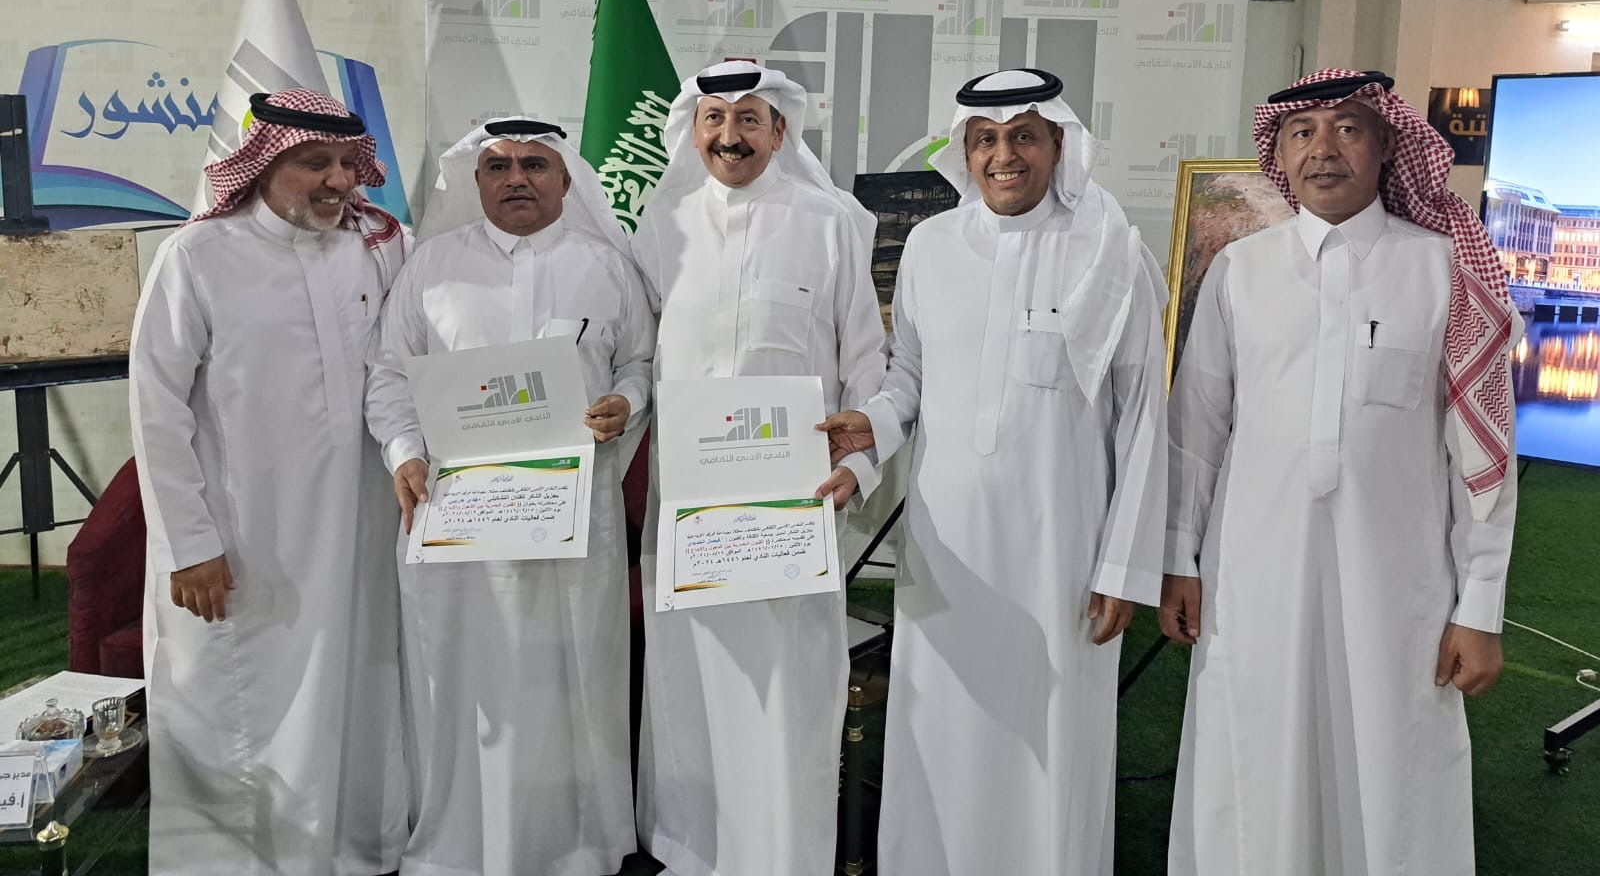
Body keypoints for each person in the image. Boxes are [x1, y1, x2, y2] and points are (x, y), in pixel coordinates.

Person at [1161, 68, 1519, 875]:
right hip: (1253, 573)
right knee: (1253, 750)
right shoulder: (1240, 271)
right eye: (1302, 132)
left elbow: (1481, 461)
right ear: (1279, 155)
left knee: (1393, 759)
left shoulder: (1443, 270)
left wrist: (1481, 606)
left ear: (1388, 144)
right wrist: (1178, 558)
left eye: (1348, 129)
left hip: (1398, 583)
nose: (1323, 149)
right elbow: (1195, 433)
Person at [818, 67, 1170, 874]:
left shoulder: (1110, 251)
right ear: (964, 151)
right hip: (946, 552)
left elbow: (1144, 419)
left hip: (1061, 551)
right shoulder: (932, 245)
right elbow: (910, 377)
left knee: (1052, 736)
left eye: (1023, 137)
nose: (1003, 156)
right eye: (985, 140)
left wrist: (1124, 566)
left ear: (1058, 145)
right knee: (940, 726)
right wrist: (868, 438)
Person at [130, 88, 410, 876]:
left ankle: (356, 849)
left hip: (362, 529)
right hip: (244, 535)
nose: (337, 181)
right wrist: (189, 544)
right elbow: (155, 408)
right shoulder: (198, 256)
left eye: (348, 163)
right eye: (315, 163)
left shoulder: (381, 246)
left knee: (357, 689)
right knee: (239, 699)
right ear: (261, 165)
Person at [364, 117, 654, 876]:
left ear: (565, 179)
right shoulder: (431, 267)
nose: (516, 178)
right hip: (457, 512)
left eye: (534, 164)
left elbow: (641, 363)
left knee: (570, 674)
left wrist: (625, 402)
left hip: (573, 518)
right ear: (477, 182)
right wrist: (403, 453)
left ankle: (578, 843)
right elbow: (389, 374)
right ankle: (460, 843)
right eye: (498, 167)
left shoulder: (607, 266)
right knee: (463, 678)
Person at [630, 59, 888, 876]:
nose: (730, 135)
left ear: (780, 131)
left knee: (786, 682)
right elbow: (636, 353)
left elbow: (866, 361)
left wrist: (861, 464)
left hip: (792, 502)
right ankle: (690, 848)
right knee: (691, 678)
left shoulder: (829, 221)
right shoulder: (662, 227)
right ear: (693, 131)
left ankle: (779, 852)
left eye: (749, 118)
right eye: (714, 118)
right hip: (691, 503)